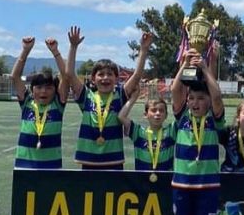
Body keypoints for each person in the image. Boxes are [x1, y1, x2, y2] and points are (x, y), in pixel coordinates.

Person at [169, 47, 225, 215]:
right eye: (191, 98)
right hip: (182, 184)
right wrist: (185, 63)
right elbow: (175, 90)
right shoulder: (181, 117)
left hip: (208, 186)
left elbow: (217, 96)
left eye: (200, 98)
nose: (195, 103)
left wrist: (203, 68)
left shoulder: (214, 120)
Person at [66, 26, 152, 169]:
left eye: (110, 74)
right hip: (88, 160)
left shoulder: (120, 95)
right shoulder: (86, 96)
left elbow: (137, 75)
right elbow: (69, 74)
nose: (105, 78)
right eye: (101, 74)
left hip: (114, 161)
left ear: (116, 79)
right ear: (93, 79)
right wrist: (73, 47)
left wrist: (143, 49)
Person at [10, 36, 69, 169]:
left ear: (55, 90)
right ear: (32, 90)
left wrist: (55, 52)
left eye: (48, 88)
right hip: (24, 166)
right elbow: (15, 76)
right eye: (39, 87)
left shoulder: (58, 105)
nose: (43, 91)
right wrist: (25, 50)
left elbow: (66, 76)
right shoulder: (27, 103)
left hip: (52, 167)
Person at [118, 86, 175, 177]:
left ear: (166, 115)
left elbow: (181, 114)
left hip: (165, 181)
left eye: (161, 111)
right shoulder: (138, 132)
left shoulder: (171, 131)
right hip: (141, 180)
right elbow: (121, 116)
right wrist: (133, 98)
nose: (158, 113)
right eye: (153, 110)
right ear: (145, 114)